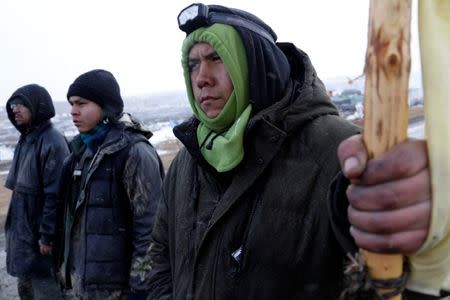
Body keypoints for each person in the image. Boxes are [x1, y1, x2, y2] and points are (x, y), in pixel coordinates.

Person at [147, 3, 449, 299]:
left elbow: (394, 279)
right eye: (193, 64)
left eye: (217, 58)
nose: (201, 78)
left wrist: (429, 230)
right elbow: (161, 256)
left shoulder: (340, 151)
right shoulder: (187, 159)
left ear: (254, 66)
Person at [54, 69, 164, 299]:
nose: (73, 111)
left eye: (81, 104)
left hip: (121, 291)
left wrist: (140, 289)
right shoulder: (80, 153)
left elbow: (150, 228)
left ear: (105, 106)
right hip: (86, 288)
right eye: (71, 104)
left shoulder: (134, 152)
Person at [4, 84, 69, 300]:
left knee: (47, 293)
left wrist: (47, 237)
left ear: (37, 106)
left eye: (21, 104)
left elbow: (56, 196)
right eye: (13, 105)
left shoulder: (52, 141)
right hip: (24, 242)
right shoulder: (25, 140)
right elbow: (20, 194)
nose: (15, 109)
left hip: (41, 246)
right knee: (27, 292)